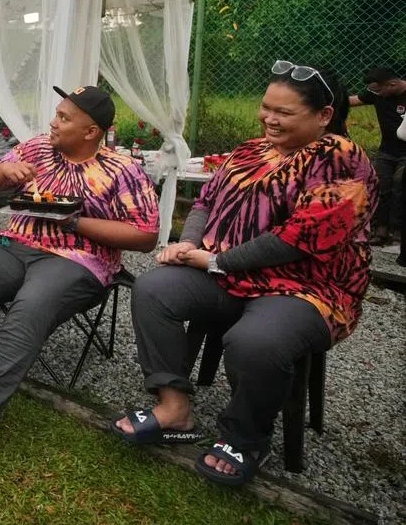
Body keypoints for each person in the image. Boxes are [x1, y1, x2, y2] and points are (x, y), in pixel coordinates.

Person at [115, 62, 374, 488]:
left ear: (324, 115)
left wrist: (216, 261)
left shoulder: (341, 159)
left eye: (284, 112)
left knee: (256, 341)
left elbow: (298, 238)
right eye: (266, 107)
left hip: (306, 287)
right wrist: (188, 244)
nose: (269, 118)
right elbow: (205, 202)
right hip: (229, 274)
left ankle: (246, 438)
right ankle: (174, 407)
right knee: (153, 289)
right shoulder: (251, 150)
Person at [0, 85, 159, 445]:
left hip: (77, 259)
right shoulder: (37, 147)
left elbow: (145, 235)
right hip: (15, 245)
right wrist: (6, 169)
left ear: (91, 131)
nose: (53, 122)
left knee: (32, 302)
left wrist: (74, 222)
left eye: (64, 118)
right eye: (56, 114)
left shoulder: (122, 169)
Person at [348, 67, 406, 244]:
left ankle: (397, 229)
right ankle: (380, 228)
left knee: (400, 183)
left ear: (392, 84)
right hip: (387, 151)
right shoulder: (377, 94)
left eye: (379, 90)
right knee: (378, 182)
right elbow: (353, 100)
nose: (376, 94)